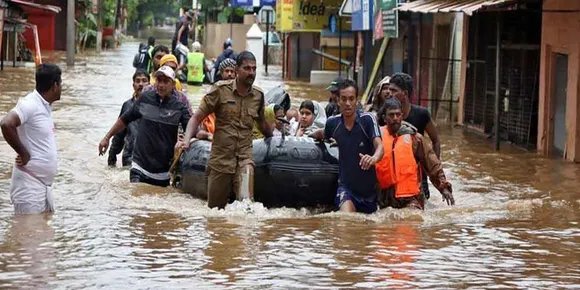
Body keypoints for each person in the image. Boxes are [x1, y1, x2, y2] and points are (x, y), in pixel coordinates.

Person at [181, 51, 272, 209]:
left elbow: (262, 123)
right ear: (236, 69)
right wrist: (187, 140)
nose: (251, 73)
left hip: (244, 157)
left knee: (246, 206)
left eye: (254, 69)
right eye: (247, 68)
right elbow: (196, 117)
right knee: (216, 211)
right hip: (221, 160)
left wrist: (274, 138)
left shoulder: (258, 95)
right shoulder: (220, 90)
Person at [98, 66, 191, 187]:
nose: (161, 85)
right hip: (139, 167)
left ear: (173, 84)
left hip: (163, 172)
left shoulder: (179, 107)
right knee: (135, 201)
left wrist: (191, 139)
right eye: (159, 80)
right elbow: (124, 120)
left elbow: (191, 128)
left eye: (165, 81)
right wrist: (106, 137)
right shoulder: (144, 99)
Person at [309, 79, 384, 214]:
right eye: (344, 99)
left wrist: (373, 158)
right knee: (346, 221)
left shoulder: (367, 120)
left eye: (351, 99)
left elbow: (380, 146)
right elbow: (322, 134)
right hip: (346, 189)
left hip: (369, 193)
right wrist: (304, 136)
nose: (348, 104)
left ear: (357, 100)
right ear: (338, 101)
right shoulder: (333, 123)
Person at [0, 64, 62, 214]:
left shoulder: (44, 105)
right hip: (29, 186)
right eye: (60, 83)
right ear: (54, 85)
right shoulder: (30, 104)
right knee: (28, 235)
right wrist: (23, 153)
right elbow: (6, 124)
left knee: (43, 234)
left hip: (43, 186)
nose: (61, 88)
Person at [375, 98, 454, 210]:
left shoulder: (414, 139)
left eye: (398, 115)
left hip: (411, 198)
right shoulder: (376, 138)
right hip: (384, 198)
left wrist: (443, 187)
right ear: (384, 118)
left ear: (402, 116)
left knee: (411, 220)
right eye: (391, 115)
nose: (395, 118)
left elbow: (431, 163)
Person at [388, 72, 441, 200]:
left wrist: (431, 168)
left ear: (405, 94)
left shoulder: (421, 114)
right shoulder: (386, 115)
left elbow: (436, 140)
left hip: (418, 175)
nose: (389, 93)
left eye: (394, 91)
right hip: (394, 173)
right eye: (389, 90)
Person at [108, 70, 150, 167]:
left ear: (149, 84)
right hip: (129, 158)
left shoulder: (155, 106)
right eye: (138, 81)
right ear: (133, 85)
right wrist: (112, 156)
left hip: (149, 159)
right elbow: (119, 134)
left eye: (144, 81)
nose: (141, 84)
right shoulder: (127, 106)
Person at [196, 58, 237, 141]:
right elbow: (199, 124)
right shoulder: (211, 95)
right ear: (221, 73)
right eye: (227, 71)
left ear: (236, 74)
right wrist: (208, 135)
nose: (229, 74)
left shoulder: (240, 96)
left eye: (232, 71)